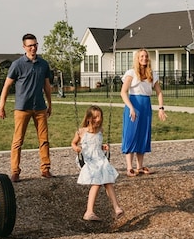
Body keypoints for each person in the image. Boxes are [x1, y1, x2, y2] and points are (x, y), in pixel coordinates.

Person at [0, 33, 54, 182]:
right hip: (22, 108)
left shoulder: (43, 64)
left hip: (40, 107)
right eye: (30, 45)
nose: (33, 48)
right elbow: (7, 85)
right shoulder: (17, 65)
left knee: (44, 139)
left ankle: (45, 168)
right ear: (24, 47)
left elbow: (47, 86)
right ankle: (15, 171)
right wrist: (1, 105)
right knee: (18, 141)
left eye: (35, 45)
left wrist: (49, 103)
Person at [71, 105, 124, 221]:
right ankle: (89, 211)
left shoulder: (100, 131)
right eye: (95, 117)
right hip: (88, 159)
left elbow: (96, 145)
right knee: (97, 182)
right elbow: (73, 143)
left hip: (99, 158)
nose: (98, 119)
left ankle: (117, 208)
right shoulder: (81, 132)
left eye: (99, 117)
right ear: (89, 118)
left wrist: (103, 146)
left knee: (108, 181)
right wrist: (76, 149)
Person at [120, 48, 167, 177]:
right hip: (133, 104)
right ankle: (129, 167)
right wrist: (130, 107)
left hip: (146, 106)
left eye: (146, 56)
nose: (144, 58)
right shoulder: (131, 73)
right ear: (137, 58)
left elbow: (159, 92)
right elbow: (123, 92)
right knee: (131, 134)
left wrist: (161, 108)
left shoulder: (152, 74)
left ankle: (139, 166)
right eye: (141, 56)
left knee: (143, 134)